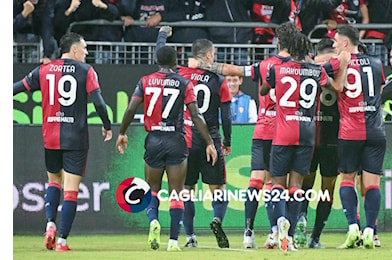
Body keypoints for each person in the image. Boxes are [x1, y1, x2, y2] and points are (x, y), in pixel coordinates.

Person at [186, 21, 301, 250]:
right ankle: (278, 232)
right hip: (287, 129)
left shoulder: (265, 65)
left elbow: (234, 71)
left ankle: (246, 233)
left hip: (260, 130)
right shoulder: (302, 67)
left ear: (277, 42)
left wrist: (203, 65)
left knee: (255, 181)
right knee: (280, 185)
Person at [13, 32, 113, 251]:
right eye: (84, 48)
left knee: (54, 182)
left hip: (50, 137)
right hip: (75, 137)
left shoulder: (44, 70)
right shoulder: (86, 71)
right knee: (71, 191)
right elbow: (98, 102)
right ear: (74, 49)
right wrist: (107, 125)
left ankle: (50, 225)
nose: (87, 52)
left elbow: (14, 89)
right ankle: (62, 241)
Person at [115, 45, 218, 251]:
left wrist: (122, 132)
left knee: (152, 190)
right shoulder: (184, 83)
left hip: (153, 139)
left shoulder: (145, 81)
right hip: (176, 140)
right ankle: (172, 241)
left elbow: (131, 107)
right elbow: (196, 116)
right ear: (175, 63)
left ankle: (153, 221)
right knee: (177, 193)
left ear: (157, 61)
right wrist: (209, 142)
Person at [259, 32, 348, 252]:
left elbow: (263, 90)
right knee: (297, 187)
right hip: (308, 133)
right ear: (308, 52)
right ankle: (289, 237)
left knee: (278, 184)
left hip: (283, 132)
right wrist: (342, 63)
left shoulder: (277, 69)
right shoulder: (316, 71)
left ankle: (280, 226)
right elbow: (335, 87)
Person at [155, 27, 233, 249]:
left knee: (186, 190)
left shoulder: (180, 73)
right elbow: (225, 115)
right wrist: (226, 142)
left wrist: (162, 35)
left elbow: (161, 54)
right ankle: (217, 219)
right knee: (218, 189)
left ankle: (190, 237)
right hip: (210, 139)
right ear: (208, 56)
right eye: (214, 54)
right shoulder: (219, 80)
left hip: (185, 139)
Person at [324, 25, 386, 249]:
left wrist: (329, 82)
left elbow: (315, 71)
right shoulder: (378, 63)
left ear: (346, 44)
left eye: (336, 41)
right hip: (376, 131)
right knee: (372, 185)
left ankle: (353, 229)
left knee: (348, 180)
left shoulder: (339, 61)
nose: (333, 45)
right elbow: (378, 89)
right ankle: (370, 231)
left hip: (351, 131)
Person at [294, 37, 340, 249]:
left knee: (304, 185)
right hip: (333, 138)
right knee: (327, 190)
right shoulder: (340, 68)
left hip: (308, 136)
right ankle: (315, 238)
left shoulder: (306, 69)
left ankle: (301, 215)